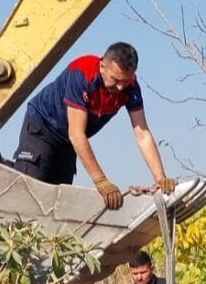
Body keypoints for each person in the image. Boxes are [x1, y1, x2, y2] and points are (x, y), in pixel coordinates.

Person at [11, 41, 176, 209]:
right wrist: (101, 180)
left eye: (125, 81)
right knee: (29, 194)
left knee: (58, 201)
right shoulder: (81, 73)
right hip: (43, 128)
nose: (120, 87)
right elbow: (76, 134)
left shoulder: (131, 87)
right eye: (116, 79)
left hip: (67, 143)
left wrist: (160, 178)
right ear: (103, 66)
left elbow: (142, 134)